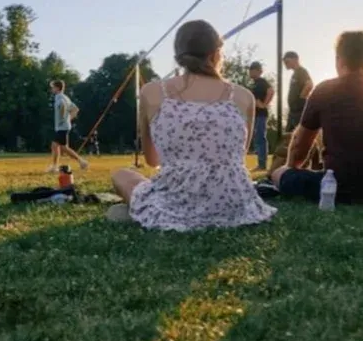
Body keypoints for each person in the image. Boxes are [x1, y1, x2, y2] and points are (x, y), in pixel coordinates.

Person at [110, 20, 277, 231]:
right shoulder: (244, 96)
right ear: (216, 53)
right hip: (235, 205)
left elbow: (152, 160)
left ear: (179, 55)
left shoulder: (151, 92)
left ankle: (148, 209)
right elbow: (235, 158)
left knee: (121, 175)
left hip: (175, 204)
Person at [269, 30, 363, 208]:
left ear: (339, 60)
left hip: (342, 189)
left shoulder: (325, 90)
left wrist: (290, 170)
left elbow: (298, 147)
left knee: (278, 174)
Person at [47, 80, 89, 173]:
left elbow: (62, 106)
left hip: (62, 127)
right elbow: (76, 109)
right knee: (60, 147)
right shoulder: (65, 97)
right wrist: (68, 119)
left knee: (58, 146)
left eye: (53, 87)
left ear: (57, 88)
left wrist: (63, 118)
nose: (51, 89)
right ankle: (81, 162)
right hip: (64, 126)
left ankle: (56, 167)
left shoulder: (59, 97)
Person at [247, 61, 274, 172]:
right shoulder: (254, 83)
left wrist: (264, 104)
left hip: (261, 115)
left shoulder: (262, 82)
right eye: (249, 69)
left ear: (258, 71)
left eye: (252, 69)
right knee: (256, 138)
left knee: (260, 138)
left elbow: (271, 91)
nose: (250, 72)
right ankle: (260, 164)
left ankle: (262, 165)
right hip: (254, 114)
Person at [283, 51, 313, 133]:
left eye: (287, 61)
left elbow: (309, 85)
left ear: (295, 59)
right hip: (293, 111)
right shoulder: (295, 74)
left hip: (299, 111)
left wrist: (301, 99)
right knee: (288, 135)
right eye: (284, 62)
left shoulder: (301, 71)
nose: (285, 64)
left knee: (300, 135)